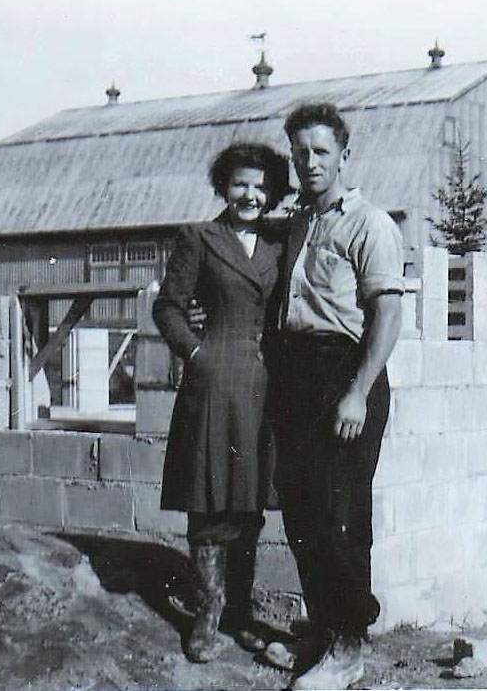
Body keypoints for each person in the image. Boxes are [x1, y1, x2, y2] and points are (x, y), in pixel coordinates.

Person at [268, 102, 405, 689]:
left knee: (339, 512)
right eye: (300, 153)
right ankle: (323, 628)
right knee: (300, 510)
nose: (309, 163)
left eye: (321, 152)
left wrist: (357, 392)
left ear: (344, 156)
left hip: (347, 374)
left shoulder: (370, 224)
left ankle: (349, 646)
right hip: (295, 376)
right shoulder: (299, 223)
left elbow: (387, 316)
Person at [152, 142, 292, 663]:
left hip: (264, 387)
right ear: (223, 187)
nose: (250, 194)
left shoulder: (282, 242)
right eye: (240, 184)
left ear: (273, 191)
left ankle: (240, 614)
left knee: (249, 501)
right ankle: (208, 613)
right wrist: (196, 352)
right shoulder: (200, 238)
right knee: (210, 499)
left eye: (260, 186)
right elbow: (167, 307)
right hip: (214, 384)